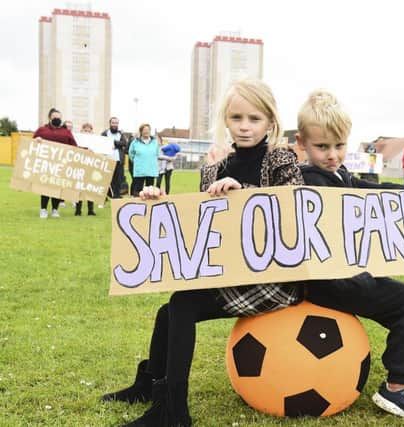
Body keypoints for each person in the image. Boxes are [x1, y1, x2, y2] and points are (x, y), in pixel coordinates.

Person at [102, 79, 304, 427]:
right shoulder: (214, 167)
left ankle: (174, 412)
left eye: (254, 118)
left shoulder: (281, 158)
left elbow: (295, 206)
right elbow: (201, 223)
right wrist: (157, 204)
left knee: (182, 302)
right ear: (226, 119)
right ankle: (150, 386)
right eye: (236, 117)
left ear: (270, 122)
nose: (244, 126)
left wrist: (247, 192)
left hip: (273, 278)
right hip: (230, 273)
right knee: (170, 313)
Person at [296, 90, 404, 419]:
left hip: (347, 273)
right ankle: (398, 388)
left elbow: (379, 191)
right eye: (322, 147)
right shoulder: (307, 181)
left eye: (339, 145)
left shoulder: (339, 175)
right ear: (303, 143)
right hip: (327, 281)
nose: (333, 155)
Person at [33, 108, 77, 218]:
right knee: (45, 187)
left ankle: (55, 210)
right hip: (46, 165)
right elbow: (31, 144)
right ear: (50, 118)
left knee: (57, 188)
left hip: (61, 165)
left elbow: (74, 147)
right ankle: (43, 209)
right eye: (55, 117)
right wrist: (36, 140)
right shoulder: (42, 130)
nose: (57, 119)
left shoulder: (66, 132)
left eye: (59, 117)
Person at [128, 124, 160, 197]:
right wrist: (137, 162)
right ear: (141, 132)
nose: (146, 132)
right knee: (138, 191)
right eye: (144, 130)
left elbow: (157, 153)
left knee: (150, 191)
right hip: (139, 170)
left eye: (148, 130)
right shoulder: (135, 142)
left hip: (151, 170)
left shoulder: (154, 142)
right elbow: (131, 154)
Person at [102, 117, 128, 199]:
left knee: (118, 179)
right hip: (107, 159)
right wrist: (114, 143)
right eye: (113, 123)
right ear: (110, 123)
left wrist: (113, 142)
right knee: (107, 179)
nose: (115, 125)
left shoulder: (120, 134)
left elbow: (124, 143)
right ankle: (106, 195)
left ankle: (116, 195)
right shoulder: (104, 133)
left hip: (118, 160)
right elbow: (102, 142)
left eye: (116, 123)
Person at [74, 123, 96, 216]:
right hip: (80, 167)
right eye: (85, 130)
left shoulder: (95, 142)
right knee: (79, 188)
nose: (87, 132)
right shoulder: (77, 141)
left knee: (90, 188)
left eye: (89, 130)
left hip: (91, 168)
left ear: (92, 131)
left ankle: (90, 210)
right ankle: (78, 210)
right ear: (81, 131)